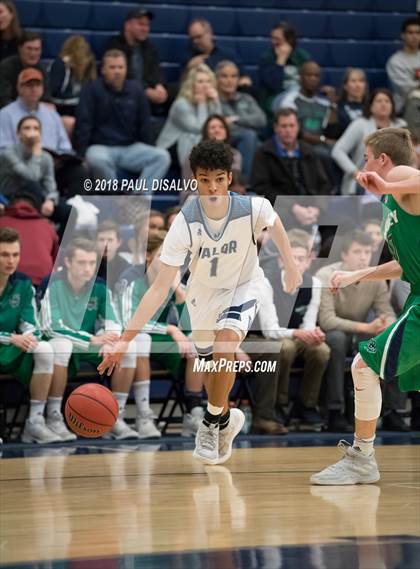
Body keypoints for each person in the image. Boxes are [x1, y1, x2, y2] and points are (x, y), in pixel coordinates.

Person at [98, 139, 302, 465]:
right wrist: (125, 340)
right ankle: (225, 419)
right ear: (195, 180)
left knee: (224, 348)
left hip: (243, 287)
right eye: (205, 179)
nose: (212, 187)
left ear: (229, 179)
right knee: (211, 370)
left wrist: (291, 265)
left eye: (219, 179)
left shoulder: (252, 207)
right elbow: (159, 287)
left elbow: (275, 224)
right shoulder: (184, 222)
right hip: (202, 295)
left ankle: (209, 423)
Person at [312, 127, 420, 484]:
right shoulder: (396, 198)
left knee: (363, 364)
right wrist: (357, 275)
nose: (364, 164)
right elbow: (404, 264)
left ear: (382, 160)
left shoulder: (401, 177)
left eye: (367, 157)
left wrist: (387, 185)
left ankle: (362, 456)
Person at [39, 237, 140, 440]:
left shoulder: (99, 286)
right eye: (82, 263)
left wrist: (111, 340)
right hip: (62, 342)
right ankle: (53, 417)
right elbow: (51, 327)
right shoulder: (52, 284)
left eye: (92, 263)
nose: (88, 269)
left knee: (128, 348)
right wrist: (91, 340)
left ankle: (116, 416)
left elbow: (113, 319)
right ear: (68, 262)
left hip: (89, 344)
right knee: (61, 346)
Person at [117, 231, 202, 438]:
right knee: (142, 339)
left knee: (198, 344)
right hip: (131, 338)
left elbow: (190, 326)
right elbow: (129, 322)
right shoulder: (130, 278)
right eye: (163, 255)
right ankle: (143, 416)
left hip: (161, 339)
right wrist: (170, 329)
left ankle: (193, 413)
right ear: (148, 256)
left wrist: (180, 294)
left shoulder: (173, 278)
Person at [316, 229, 396, 432]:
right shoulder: (326, 275)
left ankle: (393, 411)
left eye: (367, 252)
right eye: (357, 252)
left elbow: (387, 313)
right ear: (344, 255)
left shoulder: (376, 279)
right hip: (329, 334)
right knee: (336, 339)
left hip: (362, 333)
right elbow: (326, 320)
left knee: (393, 338)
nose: (363, 257)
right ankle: (335, 410)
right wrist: (367, 327)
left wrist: (386, 323)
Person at [254, 231, 330, 433]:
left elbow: (308, 322)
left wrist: (313, 334)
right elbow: (269, 329)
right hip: (270, 336)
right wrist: (299, 333)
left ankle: (306, 405)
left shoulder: (313, 283)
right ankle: (279, 403)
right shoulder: (266, 282)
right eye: (292, 258)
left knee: (321, 350)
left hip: (296, 334)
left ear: (309, 261)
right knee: (284, 347)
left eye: (301, 259)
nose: (297, 263)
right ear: (281, 260)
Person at [74, 49, 170, 191]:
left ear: (126, 69)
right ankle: (116, 200)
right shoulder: (91, 90)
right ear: (103, 70)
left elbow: (144, 123)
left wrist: (148, 145)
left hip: (129, 148)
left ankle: (138, 200)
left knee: (162, 156)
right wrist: (81, 154)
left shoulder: (136, 90)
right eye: (112, 67)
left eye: (120, 67)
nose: (117, 71)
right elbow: (83, 123)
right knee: (96, 159)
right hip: (101, 147)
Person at [0, 227, 61, 443]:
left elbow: (30, 322)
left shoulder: (24, 283)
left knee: (45, 349)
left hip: (10, 346)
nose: (11, 261)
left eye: (15, 255)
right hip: (7, 342)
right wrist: (12, 338)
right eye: (5, 255)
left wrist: (29, 335)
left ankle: (35, 422)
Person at [0, 68, 88, 204]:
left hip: (52, 165)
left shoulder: (51, 114)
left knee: (79, 172)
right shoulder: (5, 114)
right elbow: (4, 150)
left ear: (42, 88)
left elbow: (65, 146)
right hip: (21, 170)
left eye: (37, 85)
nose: (34, 89)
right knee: (30, 178)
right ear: (19, 88)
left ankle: (75, 213)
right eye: (29, 85)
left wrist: (59, 159)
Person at [250, 108, 331, 231]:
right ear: (275, 128)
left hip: (311, 206)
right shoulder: (264, 153)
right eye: (283, 126)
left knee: (345, 222)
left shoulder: (308, 151)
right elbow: (262, 188)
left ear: (298, 127)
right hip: (281, 207)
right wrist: (294, 207)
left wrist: (318, 208)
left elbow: (324, 184)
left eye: (292, 126)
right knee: (284, 220)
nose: (288, 130)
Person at [332, 89, 406, 196]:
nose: (383, 104)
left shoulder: (401, 126)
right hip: (363, 184)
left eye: (387, 101)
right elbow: (337, 151)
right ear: (370, 106)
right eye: (379, 101)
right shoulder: (360, 124)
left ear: (393, 106)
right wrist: (355, 172)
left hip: (394, 183)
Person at [157, 63, 221, 177]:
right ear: (191, 85)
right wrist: (202, 104)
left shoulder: (210, 102)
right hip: (172, 147)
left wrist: (216, 102)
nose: (205, 85)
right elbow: (200, 128)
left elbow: (218, 124)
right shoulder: (181, 104)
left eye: (208, 81)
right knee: (193, 137)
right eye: (200, 82)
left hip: (194, 143)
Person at [105, 7, 168, 115]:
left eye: (147, 25)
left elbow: (156, 70)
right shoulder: (114, 45)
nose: (145, 29)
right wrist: (145, 91)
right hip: (124, 92)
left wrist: (159, 86)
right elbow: (122, 75)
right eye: (141, 24)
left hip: (149, 93)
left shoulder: (150, 47)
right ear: (128, 25)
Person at [216, 60, 266, 182]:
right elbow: (218, 125)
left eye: (234, 76)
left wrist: (236, 119)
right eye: (225, 76)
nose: (230, 80)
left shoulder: (246, 98)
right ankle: (244, 183)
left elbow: (261, 120)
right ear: (216, 79)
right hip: (225, 141)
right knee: (250, 136)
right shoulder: (214, 99)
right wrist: (246, 124)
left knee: (262, 146)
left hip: (249, 139)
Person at [0, 194, 58, 286]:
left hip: (9, 281)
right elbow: (56, 260)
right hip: (41, 281)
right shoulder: (47, 227)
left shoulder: (2, 221)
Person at [258, 21, 311, 120]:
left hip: (300, 97)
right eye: (272, 38)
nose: (273, 42)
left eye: (277, 39)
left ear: (289, 40)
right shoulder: (267, 58)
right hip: (275, 98)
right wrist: (280, 61)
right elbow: (274, 86)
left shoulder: (302, 57)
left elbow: (310, 82)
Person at [49, 35, 97, 137]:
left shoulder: (89, 67)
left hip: (81, 111)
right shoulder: (60, 65)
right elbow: (54, 94)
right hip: (62, 111)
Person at [183, 19, 250, 86]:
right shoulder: (188, 58)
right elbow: (181, 86)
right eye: (192, 39)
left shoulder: (227, 55)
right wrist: (188, 69)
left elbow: (245, 79)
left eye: (199, 37)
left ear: (210, 34)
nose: (195, 41)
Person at [0, 31, 49, 107]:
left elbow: (46, 98)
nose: (33, 53)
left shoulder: (42, 69)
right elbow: (4, 99)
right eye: (29, 49)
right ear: (20, 49)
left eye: (37, 49)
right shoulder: (6, 67)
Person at [386, 17, 420, 115]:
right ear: (403, 35)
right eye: (410, 32)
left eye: (418, 33)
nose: (414, 36)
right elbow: (406, 89)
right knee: (415, 98)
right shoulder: (395, 61)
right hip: (404, 108)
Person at [96, 220, 130, 291]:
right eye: (101, 240)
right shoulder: (87, 263)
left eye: (110, 240)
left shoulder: (126, 268)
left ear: (119, 242)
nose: (105, 244)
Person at [334, 68, 369, 138]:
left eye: (361, 81)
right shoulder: (337, 106)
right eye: (353, 81)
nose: (358, 85)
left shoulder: (372, 107)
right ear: (345, 86)